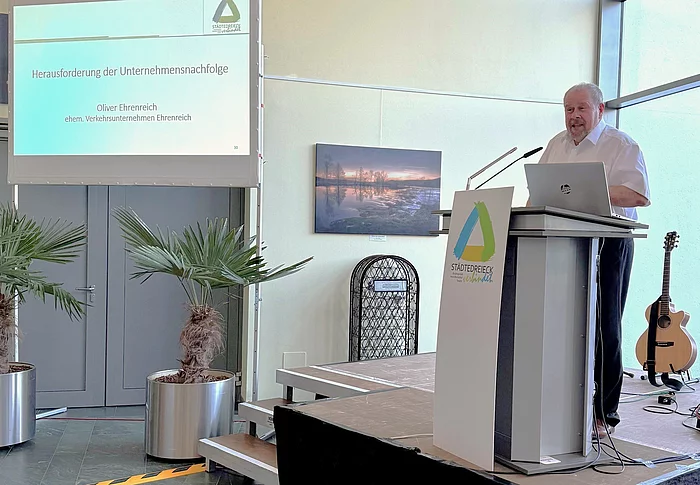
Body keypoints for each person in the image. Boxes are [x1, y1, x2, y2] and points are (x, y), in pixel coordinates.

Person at [537, 82, 651, 437]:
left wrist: (587, 188)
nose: (574, 116)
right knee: (559, 325)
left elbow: (638, 195)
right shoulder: (555, 145)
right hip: (560, 243)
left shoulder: (621, 145)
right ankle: (560, 404)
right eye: (568, 109)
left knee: (604, 327)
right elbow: (539, 192)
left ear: (600, 110)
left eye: (581, 108)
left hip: (608, 243)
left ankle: (605, 412)